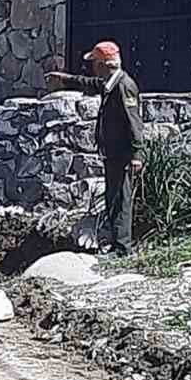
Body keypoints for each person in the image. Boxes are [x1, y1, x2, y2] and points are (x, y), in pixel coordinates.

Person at [45, 41, 143, 256]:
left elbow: (134, 122)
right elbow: (90, 84)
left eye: (95, 63)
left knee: (120, 200)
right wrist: (65, 79)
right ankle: (117, 243)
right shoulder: (110, 84)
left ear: (104, 65)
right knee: (112, 197)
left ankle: (123, 248)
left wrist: (136, 154)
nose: (92, 67)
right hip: (112, 152)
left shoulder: (124, 86)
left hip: (121, 153)